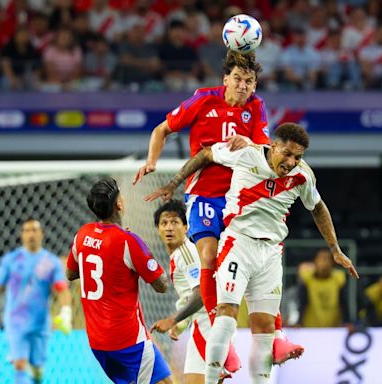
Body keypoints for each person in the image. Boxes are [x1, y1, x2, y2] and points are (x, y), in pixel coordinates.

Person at [146, 122, 359, 383]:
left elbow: (318, 207)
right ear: (274, 146)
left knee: (265, 329)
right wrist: (174, 182)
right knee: (226, 315)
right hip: (238, 244)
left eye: (298, 157)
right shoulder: (246, 154)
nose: (292, 162)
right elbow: (206, 154)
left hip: (270, 254)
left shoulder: (303, 176)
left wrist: (335, 249)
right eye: (287, 154)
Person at [133, 50, 300, 369]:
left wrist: (247, 143)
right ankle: (220, 343)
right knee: (208, 257)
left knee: (260, 262)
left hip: (241, 198)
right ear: (225, 79)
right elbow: (161, 130)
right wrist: (152, 161)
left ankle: (274, 334)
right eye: (237, 78)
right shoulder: (203, 100)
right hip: (204, 195)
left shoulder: (256, 107)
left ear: (254, 86)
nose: (242, 85)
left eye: (249, 81)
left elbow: (266, 151)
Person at [65, 178, 172, 384]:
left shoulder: (82, 235)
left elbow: (70, 274)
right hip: (128, 341)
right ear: (119, 204)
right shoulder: (128, 241)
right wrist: (141, 253)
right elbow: (162, 285)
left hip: (98, 343)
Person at [0, 218, 72, 384]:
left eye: (34, 230)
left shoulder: (50, 262)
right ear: (21, 235)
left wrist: (66, 311)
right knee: (20, 365)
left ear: (41, 234)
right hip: (16, 322)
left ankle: (37, 374)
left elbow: (61, 288)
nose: (31, 234)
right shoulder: (11, 260)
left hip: (40, 324)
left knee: (37, 368)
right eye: (27, 230)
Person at [151, 200, 212, 383]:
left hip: (207, 325)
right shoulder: (178, 254)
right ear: (158, 229)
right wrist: (183, 323)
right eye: (164, 223)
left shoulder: (187, 253)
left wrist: (173, 320)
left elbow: (201, 294)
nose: (169, 228)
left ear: (186, 227)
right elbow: (189, 295)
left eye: (175, 222)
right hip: (204, 323)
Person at [297, 248, 347, 327]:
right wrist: (299, 322)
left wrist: (347, 322)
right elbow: (302, 302)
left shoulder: (339, 279)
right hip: (311, 328)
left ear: (332, 263)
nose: (325, 263)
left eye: (328, 259)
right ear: (315, 261)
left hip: (334, 328)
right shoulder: (307, 279)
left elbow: (344, 303)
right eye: (321, 259)